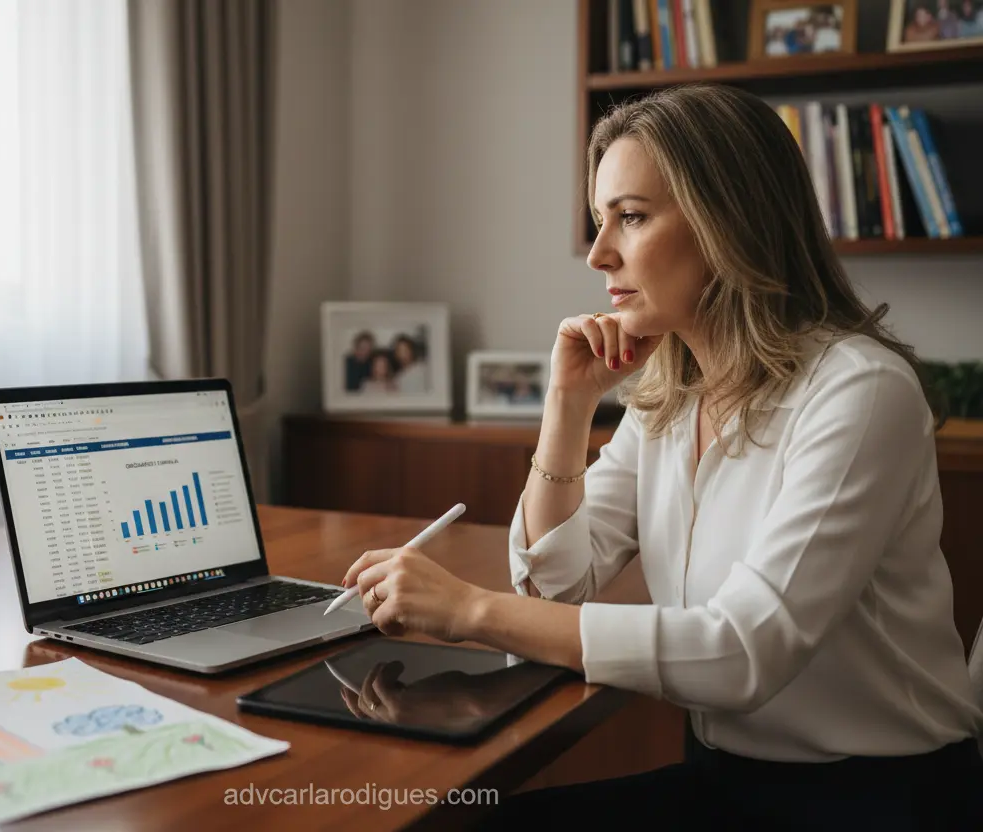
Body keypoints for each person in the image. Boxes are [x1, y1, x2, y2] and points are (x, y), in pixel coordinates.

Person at [337, 83, 983, 828]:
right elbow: (556, 587)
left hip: (880, 801)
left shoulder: (860, 392)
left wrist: (472, 611)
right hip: (723, 780)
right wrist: (569, 404)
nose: (599, 252)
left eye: (632, 218)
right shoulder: (675, 391)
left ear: (729, 222)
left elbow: (741, 652)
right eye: (599, 220)